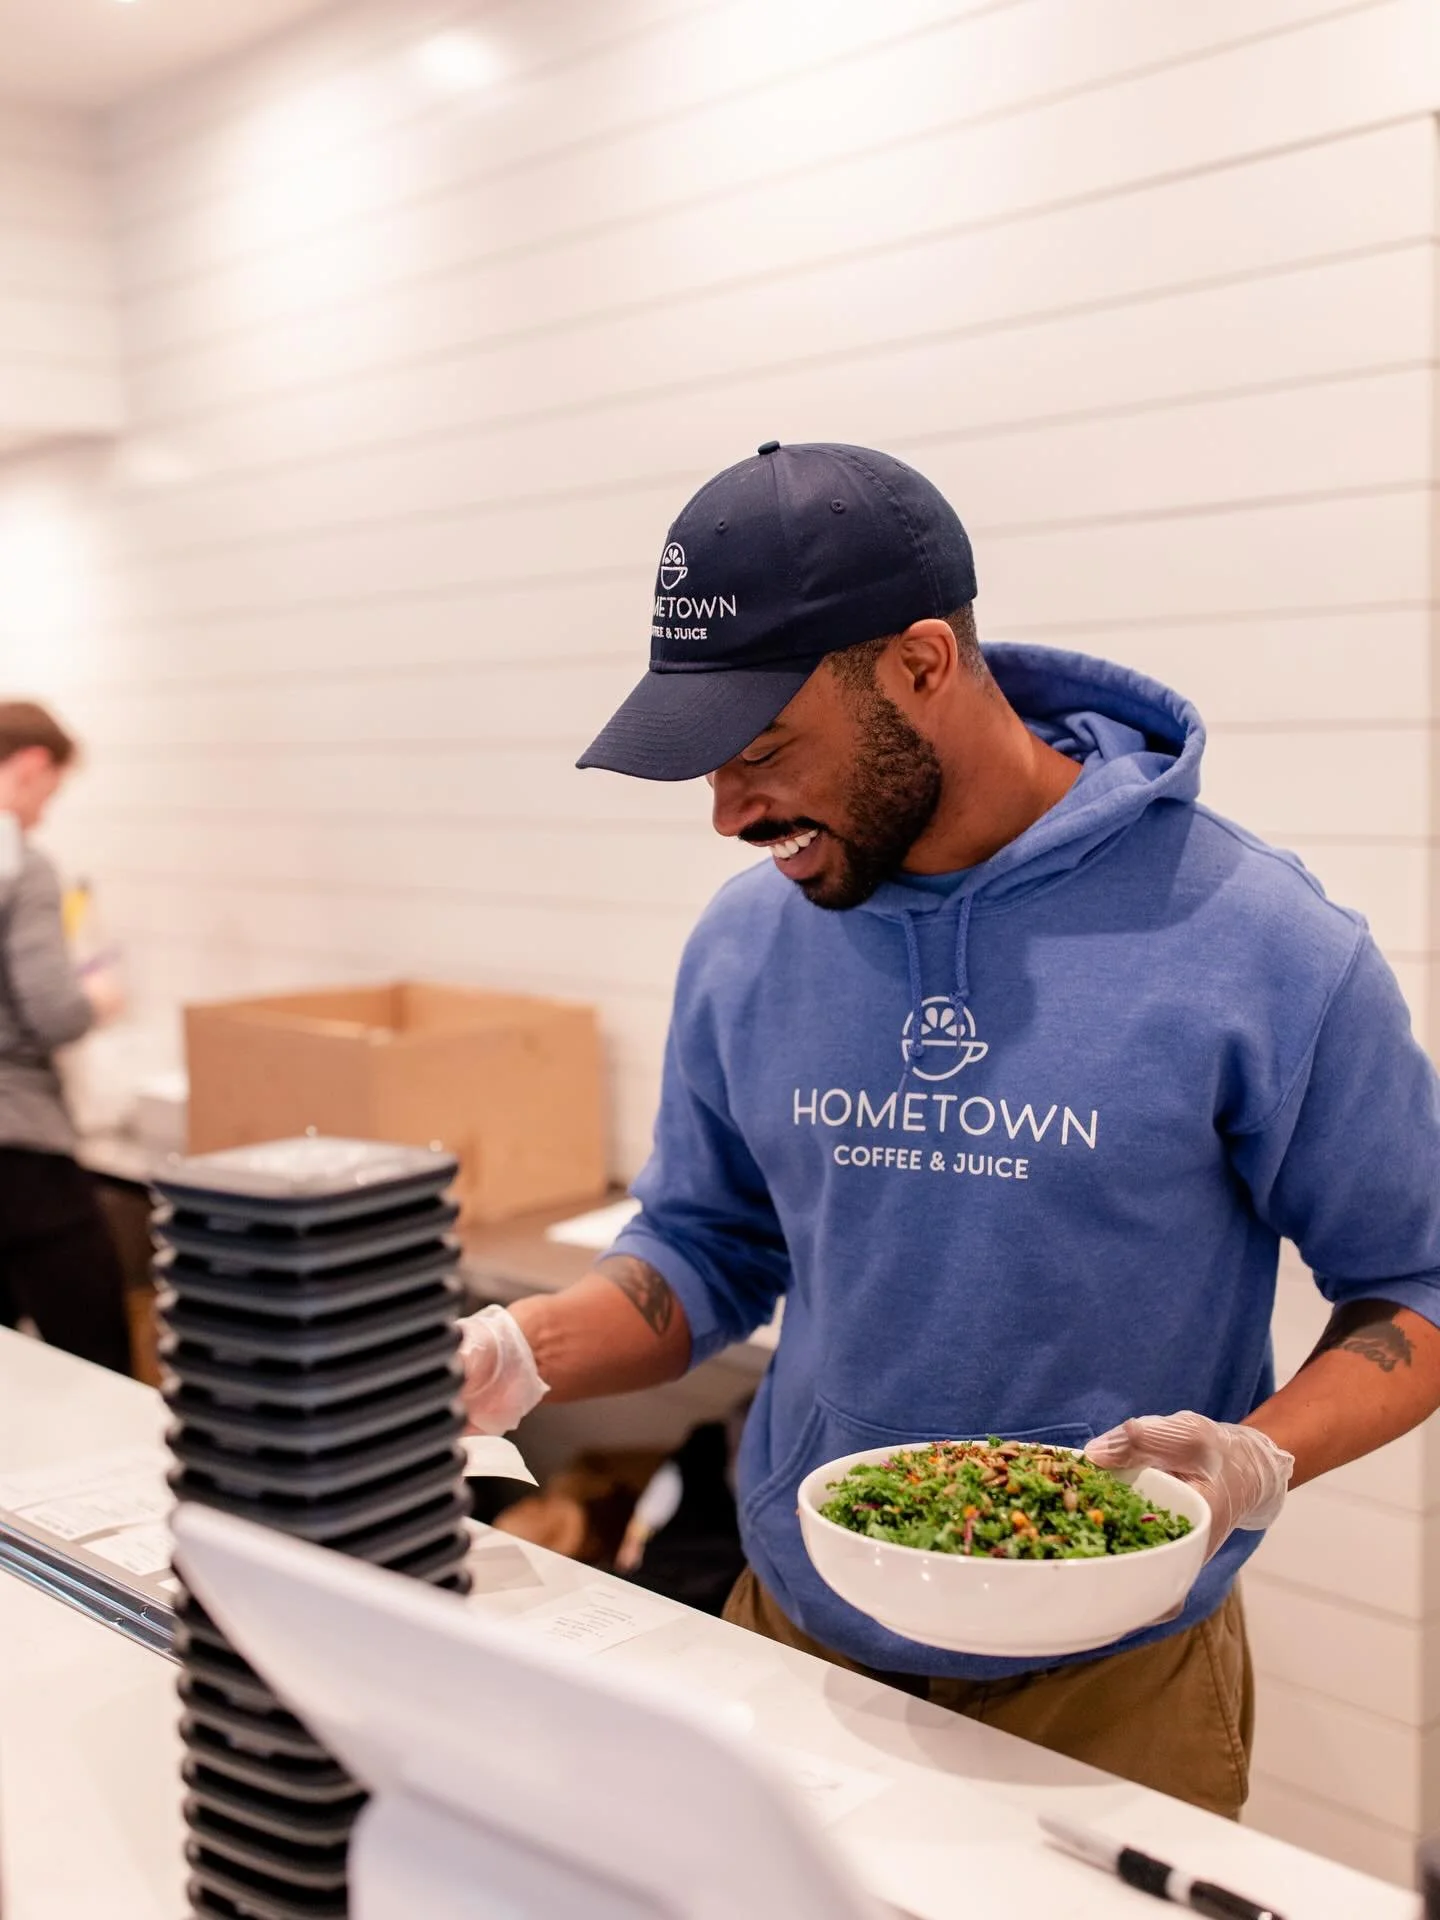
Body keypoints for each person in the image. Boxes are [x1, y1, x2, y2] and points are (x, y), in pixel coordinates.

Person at [456, 442, 1440, 1817]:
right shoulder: (751, 941)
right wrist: (517, 1351)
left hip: (1112, 1684)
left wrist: (1260, 1454)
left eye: (760, 751)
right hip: (799, 1629)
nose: (729, 814)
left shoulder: (1262, 947)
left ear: (922, 662)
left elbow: (1416, 1283)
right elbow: (707, 1245)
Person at [0, 701, 131, 1373]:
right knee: (94, 1343)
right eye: (48, 793)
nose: (44, 813)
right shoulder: (20, 863)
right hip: (18, 1146)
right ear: (29, 766)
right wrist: (98, 1001)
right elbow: (52, 1010)